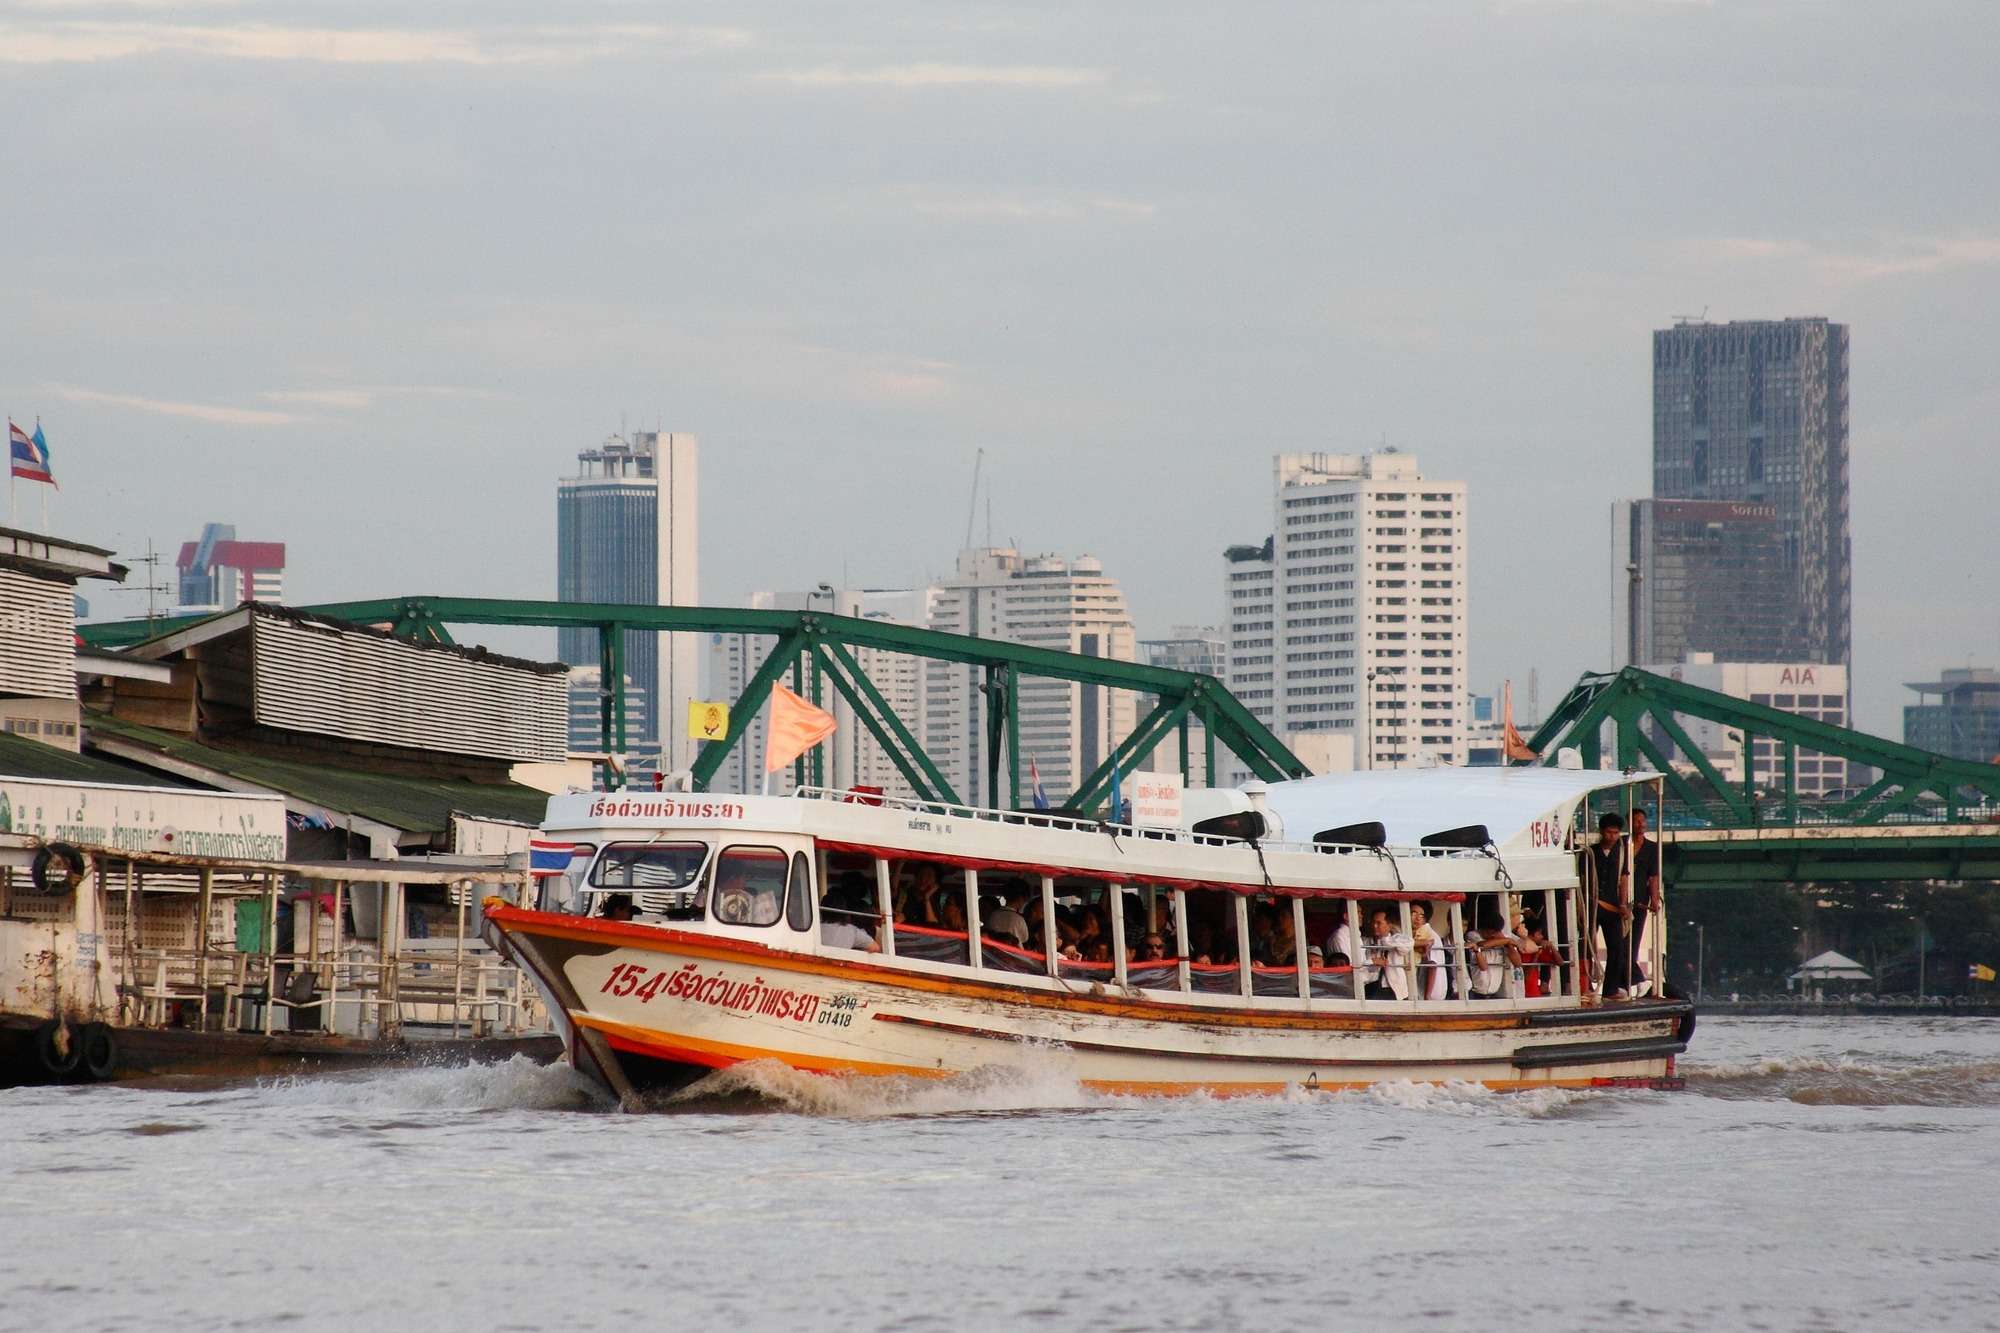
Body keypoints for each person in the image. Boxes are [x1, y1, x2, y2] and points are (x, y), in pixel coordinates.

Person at [1587, 812, 1633, 998]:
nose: (1612, 836)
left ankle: (1611, 989)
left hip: (1613, 908)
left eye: (1616, 833)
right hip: (1592, 906)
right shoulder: (1590, 852)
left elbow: (1623, 879)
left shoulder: (1622, 854)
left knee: (1617, 949)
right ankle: (1586, 985)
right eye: (1609, 832)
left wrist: (1622, 904)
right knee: (1586, 945)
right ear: (1601, 832)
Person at [1629, 808, 1664, 996]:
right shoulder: (1622, 844)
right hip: (1619, 902)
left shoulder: (1652, 847)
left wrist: (1654, 898)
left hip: (1640, 902)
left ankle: (1635, 980)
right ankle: (1636, 979)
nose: (1641, 824)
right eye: (1636, 820)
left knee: (1633, 943)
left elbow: (1653, 876)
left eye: (1643, 820)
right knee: (1620, 944)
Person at [1365, 908, 1412, 1000]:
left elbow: (1409, 943)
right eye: (1373, 922)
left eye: (1379, 923)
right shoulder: (1368, 942)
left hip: (1395, 988)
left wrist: (1385, 940)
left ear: (1389, 925)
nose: (1374, 926)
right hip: (1374, 986)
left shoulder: (1397, 939)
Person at [1410, 902, 1448, 1001]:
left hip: (1431, 994)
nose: (1417, 918)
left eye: (1421, 915)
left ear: (1425, 919)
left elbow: (1432, 966)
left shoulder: (1430, 935)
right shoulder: (1418, 934)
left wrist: (1427, 997)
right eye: (1413, 914)